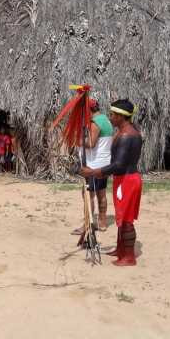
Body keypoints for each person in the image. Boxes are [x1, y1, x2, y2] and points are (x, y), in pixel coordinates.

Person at [80, 99, 143, 266]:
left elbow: (119, 164)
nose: (111, 118)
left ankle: (128, 257)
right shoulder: (130, 131)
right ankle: (120, 249)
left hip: (127, 181)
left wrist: (93, 172)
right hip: (124, 179)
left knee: (127, 219)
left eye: (113, 115)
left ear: (121, 117)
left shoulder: (125, 136)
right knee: (122, 218)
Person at [72, 98, 113, 234]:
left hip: (93, 165)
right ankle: (102, 223)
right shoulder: (106, 120)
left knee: (88, 194)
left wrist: (76, 140)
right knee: (101, 193)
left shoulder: (95, 123)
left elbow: (91, 143)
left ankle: (87, 225)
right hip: (104, 163)